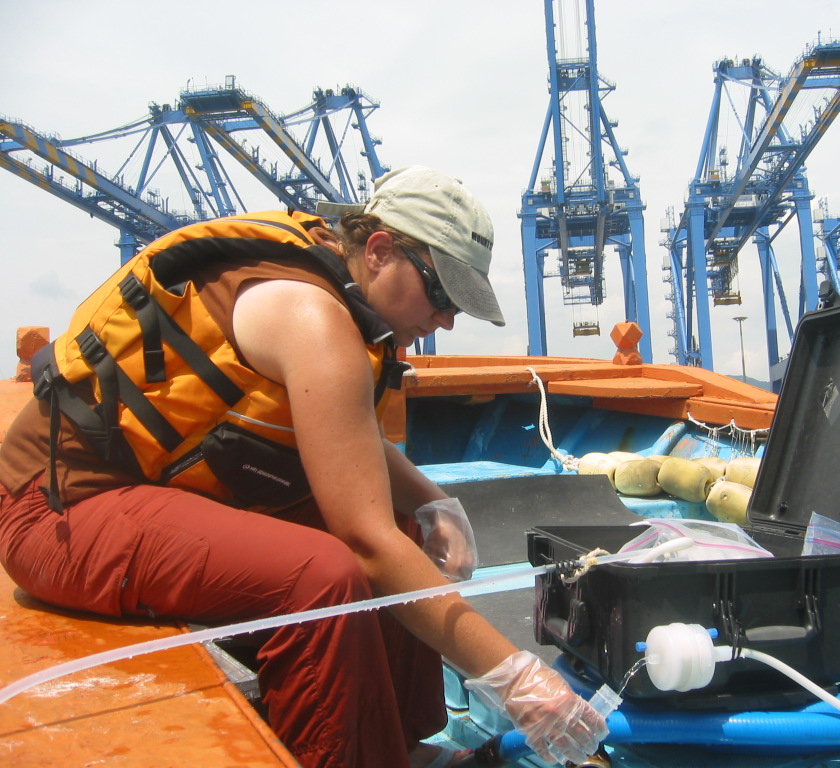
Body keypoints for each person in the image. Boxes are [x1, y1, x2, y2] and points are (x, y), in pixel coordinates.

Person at [0, 166, 607, 768]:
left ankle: (401, 743)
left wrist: (431, 501)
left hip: (148, 488)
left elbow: (350, 438)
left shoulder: (332, 280)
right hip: (58, 512)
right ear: (378, 249)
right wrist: (515, 678)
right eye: (442, 292)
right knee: (324, 578)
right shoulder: (311, 318)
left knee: (398, 524)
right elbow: (363, 543)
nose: (446, 319)